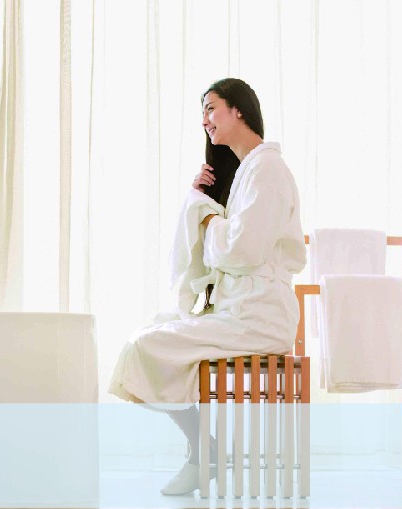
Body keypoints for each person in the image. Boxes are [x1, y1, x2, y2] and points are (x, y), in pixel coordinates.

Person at [108, 78, 307, 496]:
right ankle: (205, 449)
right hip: (241, 310)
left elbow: (244, 248)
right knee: (150, 333)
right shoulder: (249, 172)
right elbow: (233, 241)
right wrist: (199, 197)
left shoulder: (268, 168)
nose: (205, 120)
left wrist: (205, 216)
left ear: (239, 109)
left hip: (259, 316)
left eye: (211, 108)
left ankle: (204, 451)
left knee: (147, 346)